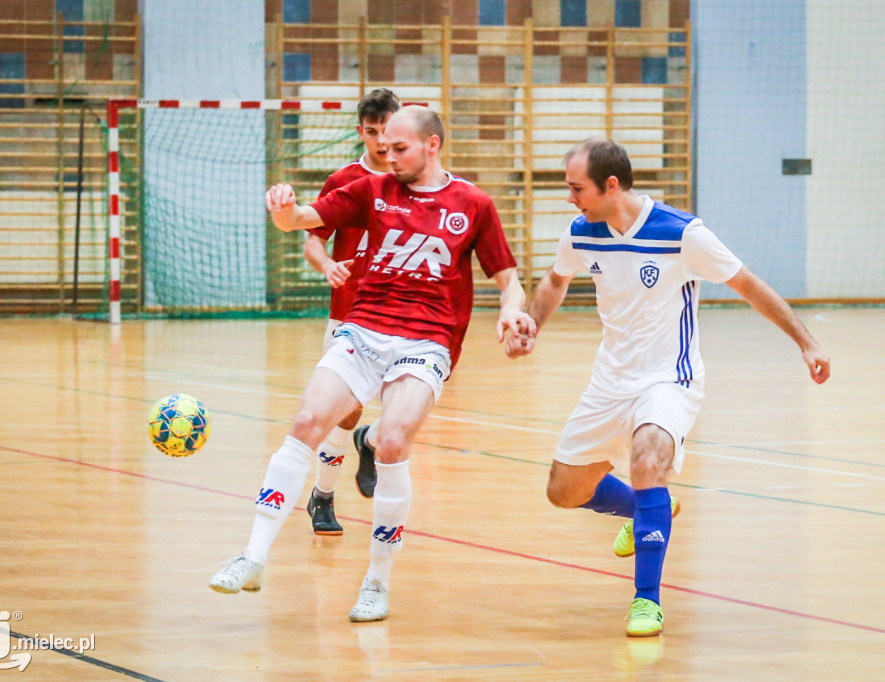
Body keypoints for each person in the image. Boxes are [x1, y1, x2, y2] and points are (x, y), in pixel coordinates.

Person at [210, 105, 534, 622]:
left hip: (426, 341)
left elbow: (508, 278)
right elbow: (298, 222)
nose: (388, 156)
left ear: (432, 145)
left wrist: (513, 313)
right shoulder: (374, 190)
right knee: (305, 424)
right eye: (383, 146)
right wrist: (281, 206)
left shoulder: (472, 203)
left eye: (399, 148)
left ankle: (377, 583)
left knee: (390, 442)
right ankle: (253, 557)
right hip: (362, 329)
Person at [507, 138, 831, 637]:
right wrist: (531, 323)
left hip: (669, 377)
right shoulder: (582, 231)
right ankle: (650, 506)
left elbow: (749, 285)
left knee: (647, 461)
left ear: (610, 185)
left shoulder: (682, 234)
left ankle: (646, 600)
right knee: (563, 491)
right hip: (609, 378)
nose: (570, 199)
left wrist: (805, 343)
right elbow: (555, 281)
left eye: (577, 188)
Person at [302, 87, 401, 536]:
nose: (381, 141)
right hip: (350, 316)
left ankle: (372, 440)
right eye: (372, 132)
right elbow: (313, 237)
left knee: (407, 409)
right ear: (360, 131)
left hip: (403, 316)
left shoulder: (416, 182)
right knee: (344, 411)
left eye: (388, 131)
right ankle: (322, 495)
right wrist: (326, 265)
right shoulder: (343, 179)